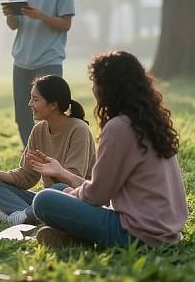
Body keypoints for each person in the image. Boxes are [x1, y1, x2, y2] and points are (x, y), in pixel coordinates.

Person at [33, 51, 188, 248]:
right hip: (168, 230)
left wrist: (73, 195)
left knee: (44, 200)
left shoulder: (119, 127)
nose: (93, 88)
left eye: (95, 82)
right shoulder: (152, 121)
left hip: (136, 233)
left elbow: (98, 195)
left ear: (108, 88)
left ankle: (82, 240)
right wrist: (72, 191)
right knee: (57, 189)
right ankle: (76, 239)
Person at [0, 75, 95, 224]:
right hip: (47, 199)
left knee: (58, 188)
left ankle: (21, 215)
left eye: (35, 99)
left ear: (53, 105)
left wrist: (54, 171)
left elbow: (73, 184)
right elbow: (26, 178)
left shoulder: (79, 129)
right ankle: (28, 215)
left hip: (74, 199)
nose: (29, 104)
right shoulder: (38, 130)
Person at [3, 0, 75, 146]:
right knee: (23, 116)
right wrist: (10, 14)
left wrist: (39, 15)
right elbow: (13, 25)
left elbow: (65, 24)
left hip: (48, 59)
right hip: (22, 60)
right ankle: (31, 158)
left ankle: (55, 157)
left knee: (51, 114)